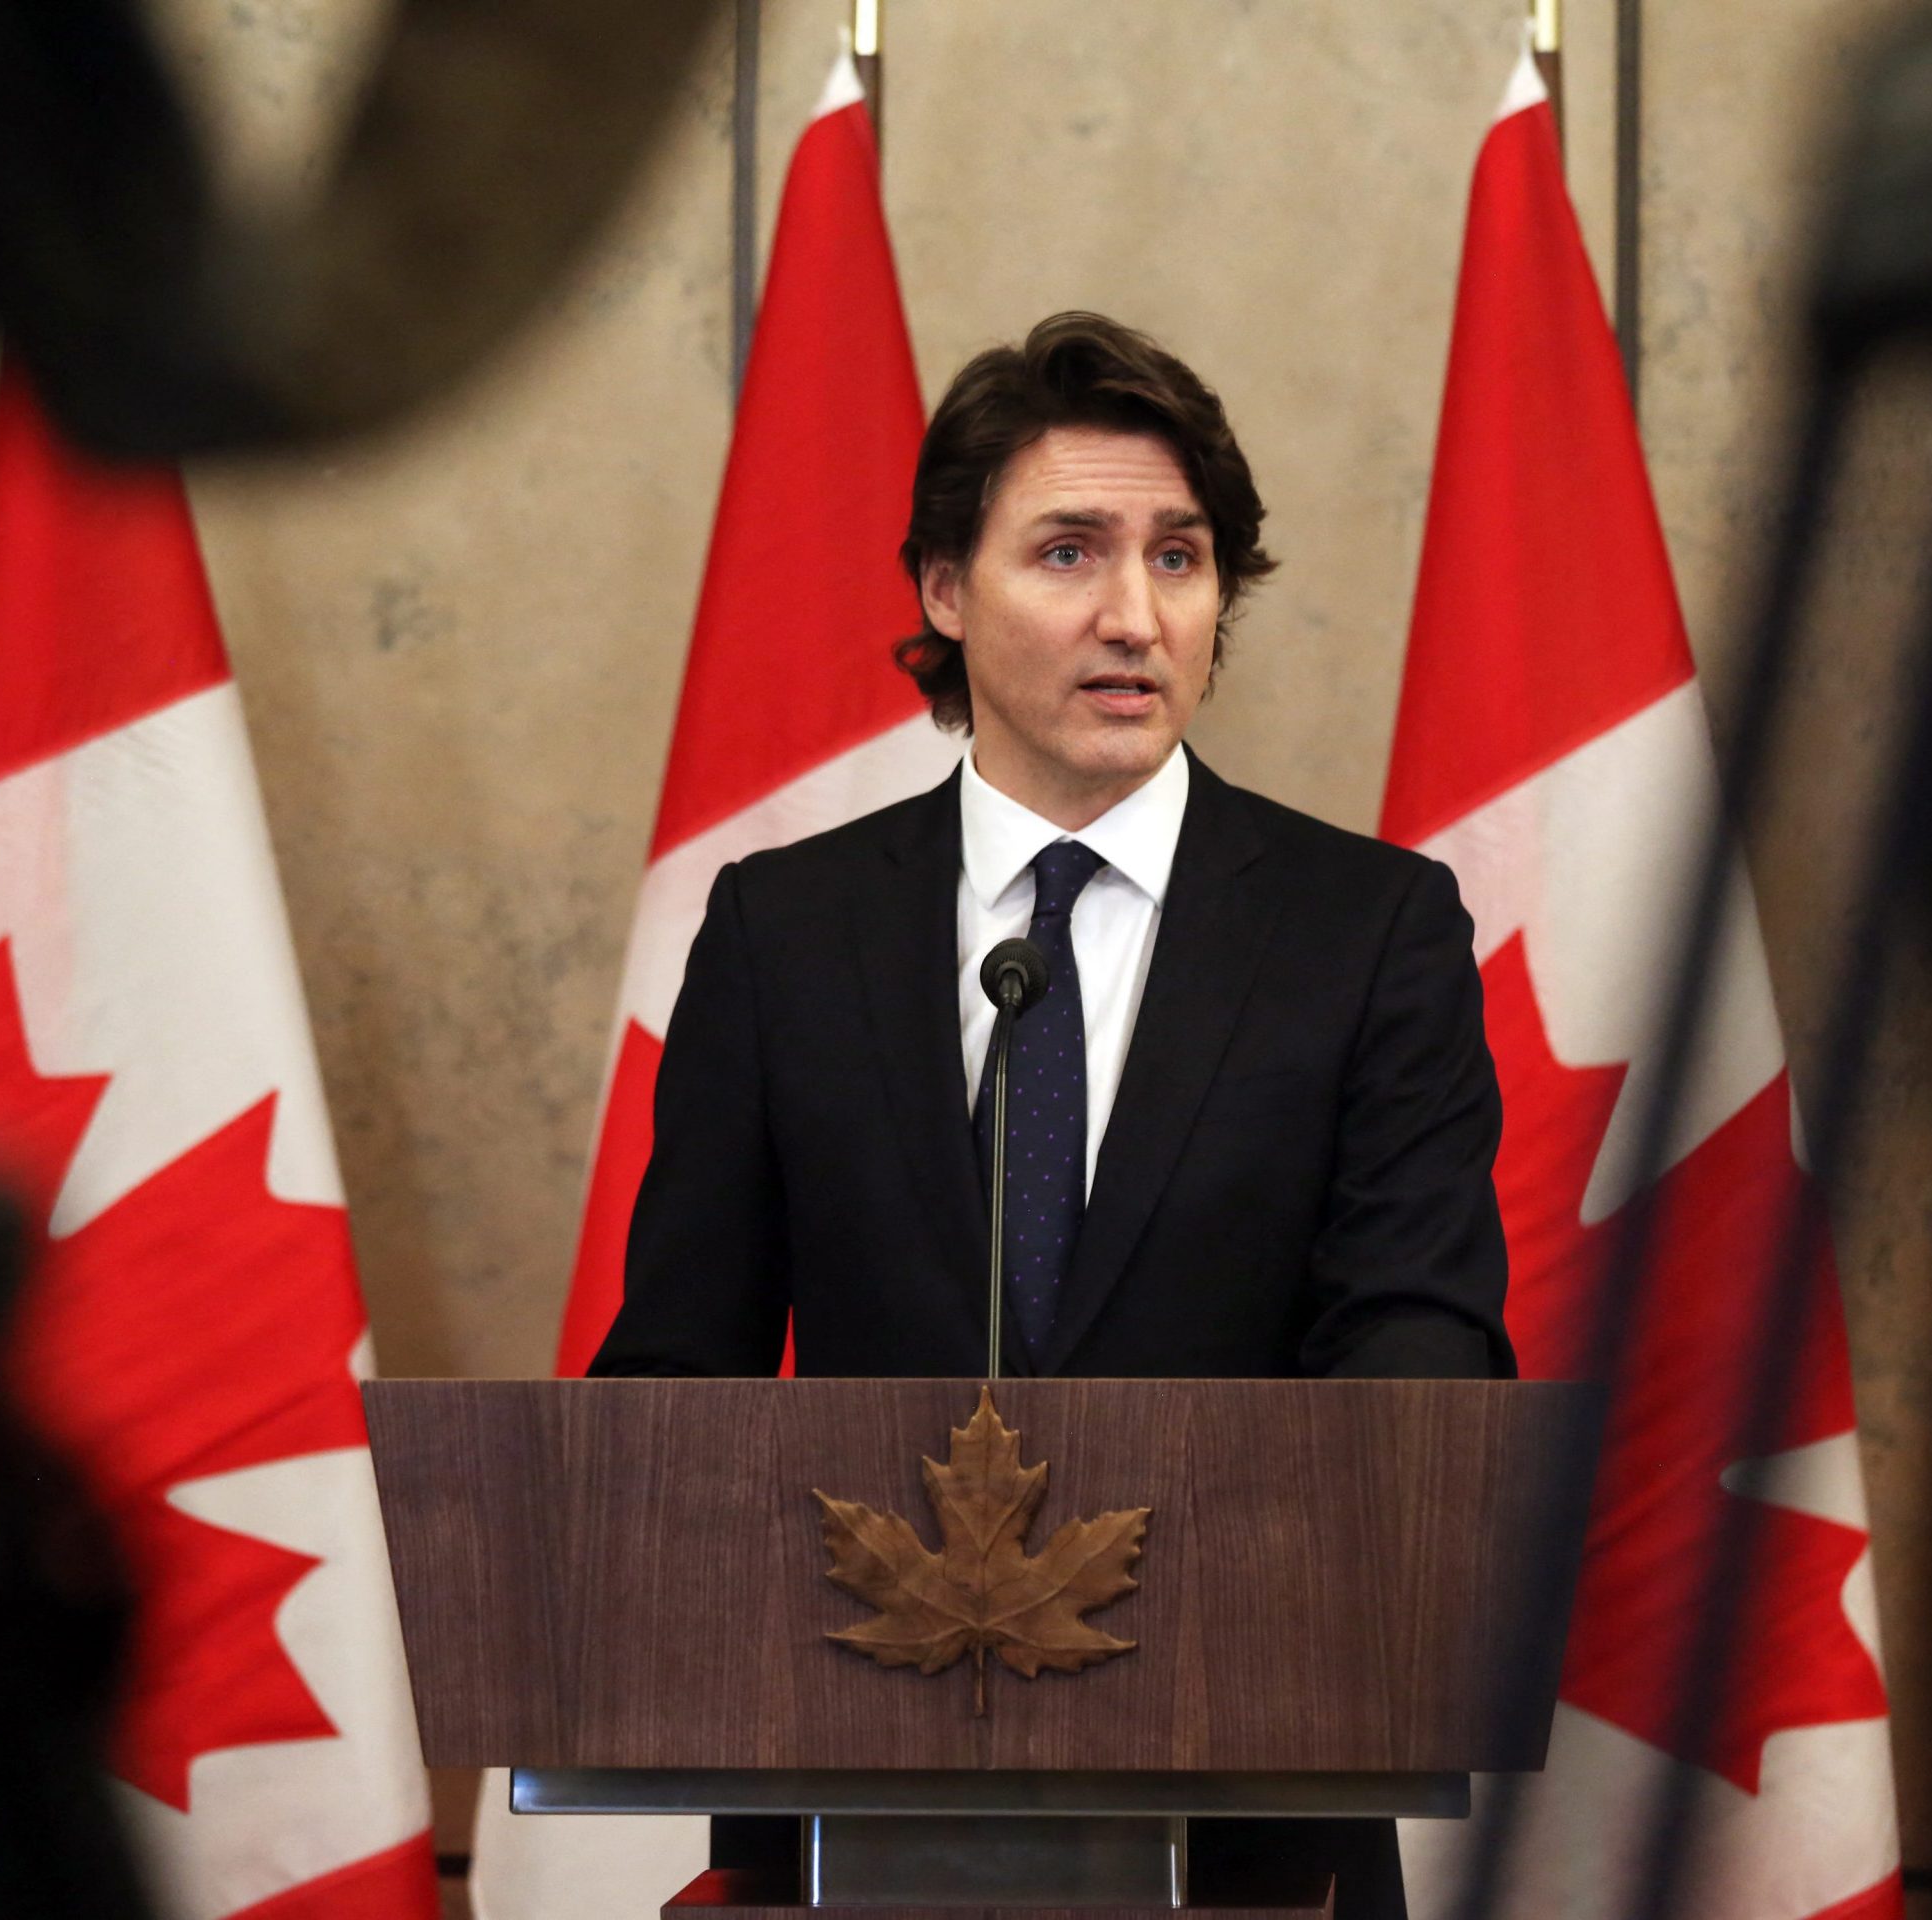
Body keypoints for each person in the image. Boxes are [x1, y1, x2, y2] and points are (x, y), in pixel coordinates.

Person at [591, 311, 1513, 1919]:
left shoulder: (1368, 931)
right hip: (845, 1801)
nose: (1134, 615)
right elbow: (681, 1379)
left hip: (1257, 1824)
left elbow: (1418, 1364)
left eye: (1180, 558)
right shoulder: (783, 931)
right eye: (1069, 552)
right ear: (944, 590)